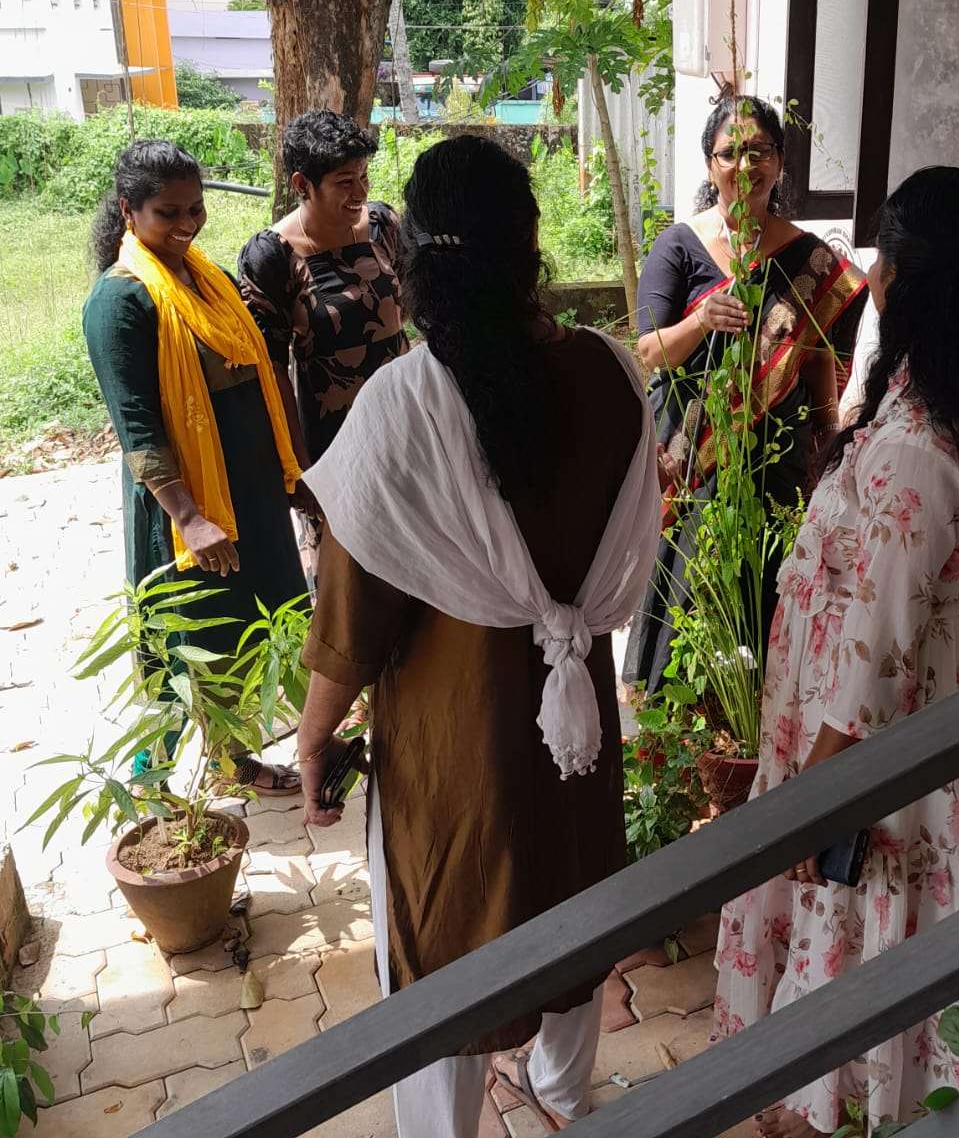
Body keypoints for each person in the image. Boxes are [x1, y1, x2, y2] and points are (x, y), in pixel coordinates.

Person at [293, 135, 659, 1138]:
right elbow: (628, 546)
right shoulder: (610, 376)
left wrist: (315, 734)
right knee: (573, 899)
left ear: (413, 254)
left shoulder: (402, 406)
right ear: (530, 246)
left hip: (452, 747)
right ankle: (565, 1100)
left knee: (442, 939)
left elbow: (351, 618)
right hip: (573, 721)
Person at [714, 167, 959, 1136]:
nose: (868, 269)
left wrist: (815, 797)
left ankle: (850, 1109)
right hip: (944, 704)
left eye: (881, 254)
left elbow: (873, 653)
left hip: (882, 738)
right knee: (912, 903)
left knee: (858, 900)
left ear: (906, 278)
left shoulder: (913, 443)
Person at [82, 140, 307, 795]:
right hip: (189, 514)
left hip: (249, 495)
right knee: (185, 652)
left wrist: (289, 477)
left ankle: (232, 765)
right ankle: (147, 790)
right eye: (167, 213)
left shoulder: (200, 275)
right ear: (129, 210)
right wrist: (191, 517)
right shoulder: (120, 301)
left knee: (246, 639)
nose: (185, 225)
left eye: (196, 209)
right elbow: (137, 428)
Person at [623, 94, 865, 696]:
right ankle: (682, 736)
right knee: (689, 594)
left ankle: (756, 733)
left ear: (780, 163)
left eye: (758, 151)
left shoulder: (810, 258)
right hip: (690, 454)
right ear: (710, 166)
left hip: (775, 455)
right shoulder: (680, 246)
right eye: (730, 153)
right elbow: (645, 354)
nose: (744, 165)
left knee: (764, 589)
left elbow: (813, 364)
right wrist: (700, 322)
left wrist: (827, 439)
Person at [238, 109, 409, 585]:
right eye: (343, 182)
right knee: (347, 573)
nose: (360, 193)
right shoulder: (271, 256)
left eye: (363, 177)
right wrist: (299, 466)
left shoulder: (382, 227)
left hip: (401, 423)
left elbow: (409, 319)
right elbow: (272, 370)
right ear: (301, 183)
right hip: (331, 436)